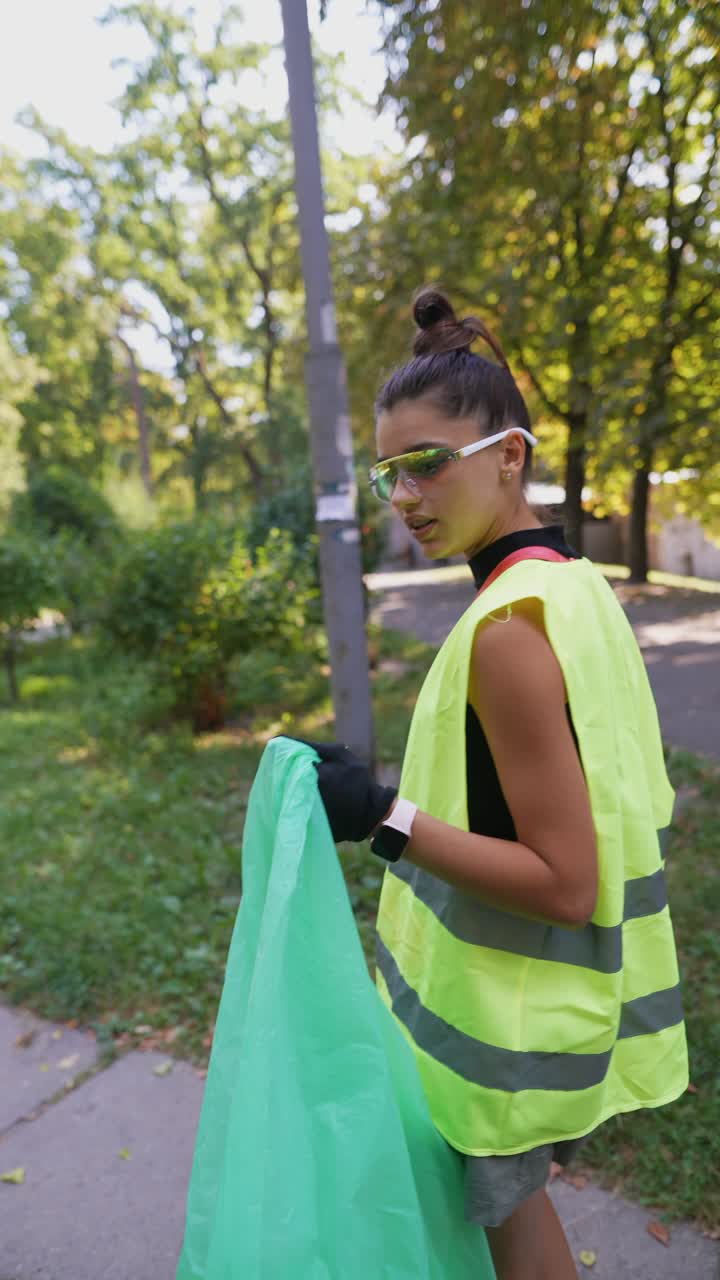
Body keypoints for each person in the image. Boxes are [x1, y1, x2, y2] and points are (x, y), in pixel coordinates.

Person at [305, 287, 688, 1280]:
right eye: (391, 471)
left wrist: (381, 813)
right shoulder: (570, 584)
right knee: (515, 1221)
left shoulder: (508, 632)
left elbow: (566, 880)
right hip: (549, 1007)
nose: (404, 495)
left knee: (515, 1236)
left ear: (508, 455)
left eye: (428, 462)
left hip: (504, 1025)